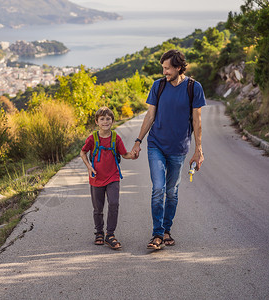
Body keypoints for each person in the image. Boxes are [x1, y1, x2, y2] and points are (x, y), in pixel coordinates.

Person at [131, 49, 206, 250]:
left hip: (179, 148)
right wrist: (139, 140)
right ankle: (157, 234)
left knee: (171, 192)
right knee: (158, 188)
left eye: (167, 68)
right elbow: (149, 116)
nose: (164, 72)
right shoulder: (159, 86)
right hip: (156, 145)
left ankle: (166, 230)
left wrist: (198, 150)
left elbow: (197, 122)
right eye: (163, 68)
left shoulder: (193, 87)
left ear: (179, 67)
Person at [80, 107, 134, 250]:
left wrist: (134, 155)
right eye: (102, 119)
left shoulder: (116, 138)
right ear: (97, 122)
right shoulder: (92, 138)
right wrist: (89, 167)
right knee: (98, 208)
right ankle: (99, 232)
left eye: (108, 119)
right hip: (96, 178)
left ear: (112, 121)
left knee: (114, 204)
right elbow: (83, 152)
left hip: (113, 177)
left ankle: (110, 234)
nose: (105, 121)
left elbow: (125, 154)